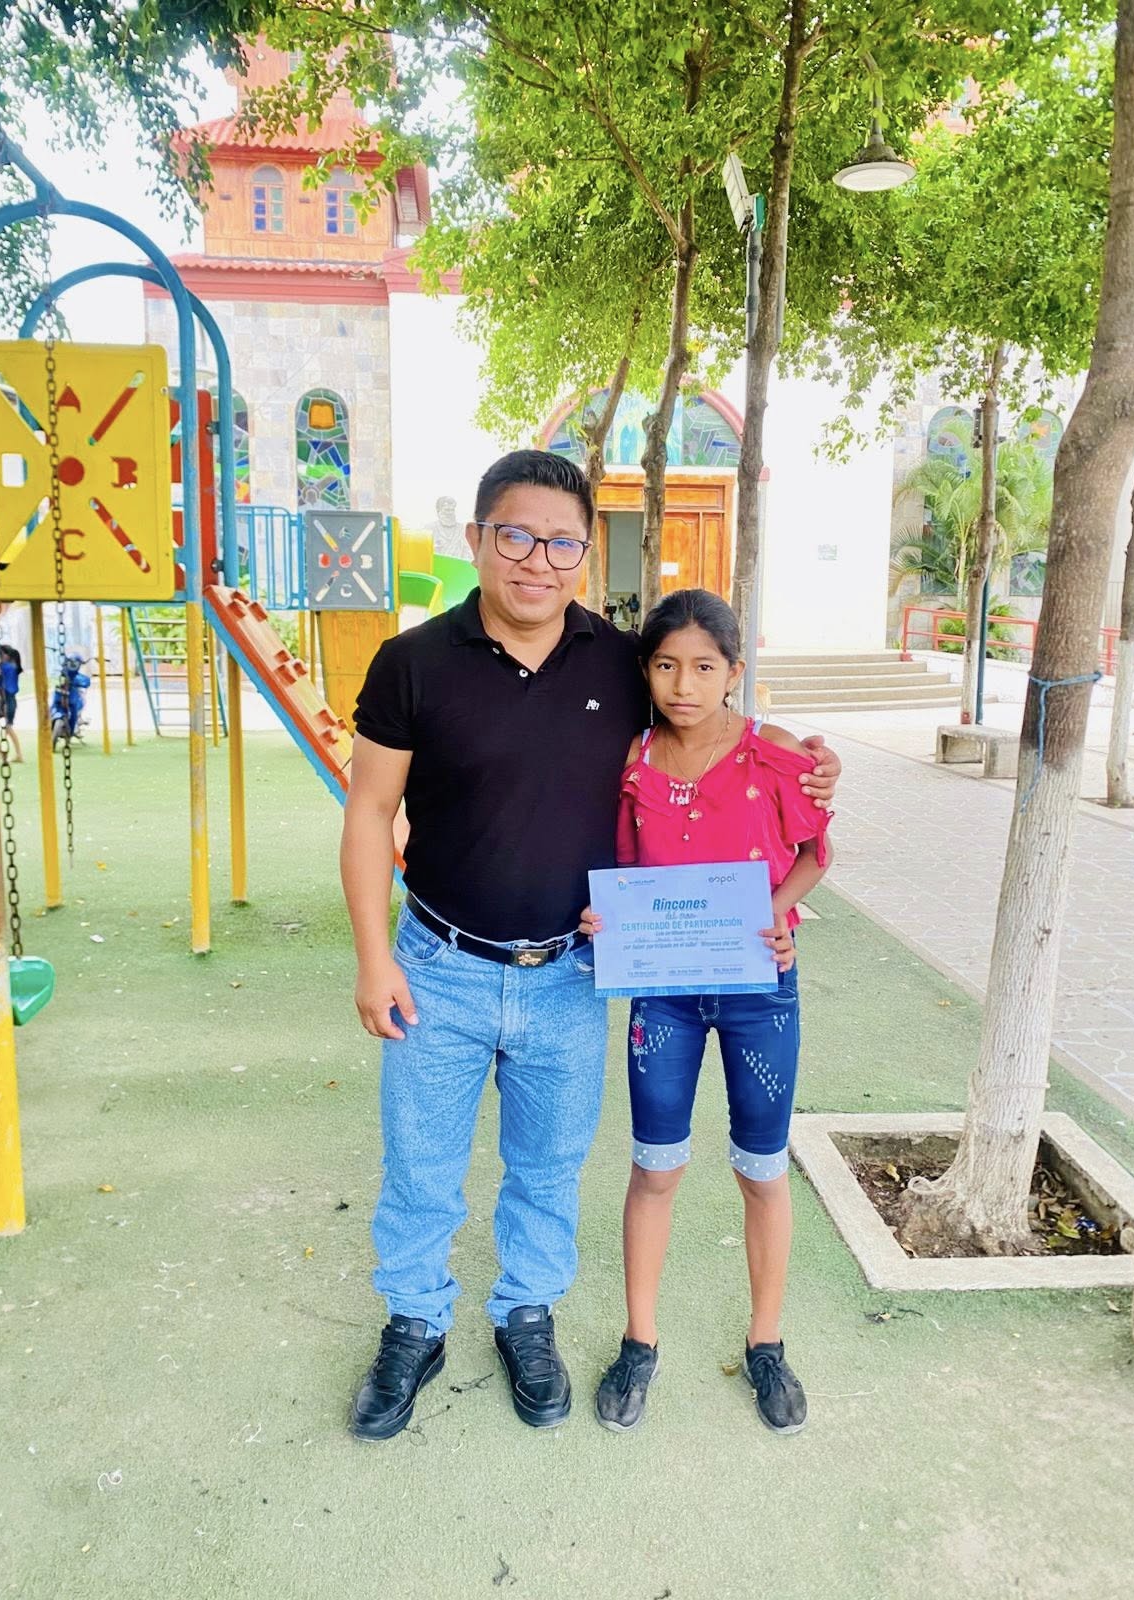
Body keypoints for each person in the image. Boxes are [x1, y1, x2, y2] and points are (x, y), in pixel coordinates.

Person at [339, 450, 840, 1442]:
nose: (538, 560)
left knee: (548, 1163)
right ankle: (414, 1323)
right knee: (421, 1164)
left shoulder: (622, 662)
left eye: (562, 543)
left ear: (584, 553)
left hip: (570, 971)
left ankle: (527, 1313)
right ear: (478, 537)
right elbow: (368, 811)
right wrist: (372, 955)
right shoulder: (411, 663)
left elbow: (712, 712)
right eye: (516, 536)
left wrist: (809, 759)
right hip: (438, 963)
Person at [587, 589, 831, 1437]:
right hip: (663, 996)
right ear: (646, 670)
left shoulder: (775, 754)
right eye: (665, 665)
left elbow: (814, 854)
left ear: (733, 671)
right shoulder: (635, 758)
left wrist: (778, 914)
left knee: (761, 1169)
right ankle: (639, 1341)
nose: (682, 685)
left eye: (702, 666)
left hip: (761, 988)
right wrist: (606, 920)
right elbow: (625, 875)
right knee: (655, 1168)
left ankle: (767, 1343)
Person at [0, 644, 23, 764]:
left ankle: (16, 754)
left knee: (8, 727)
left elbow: (7, 686)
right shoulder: (8, 667)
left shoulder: (8, 667)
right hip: (3, 700)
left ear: (6, 656)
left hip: (6, 700)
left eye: (1, 655)